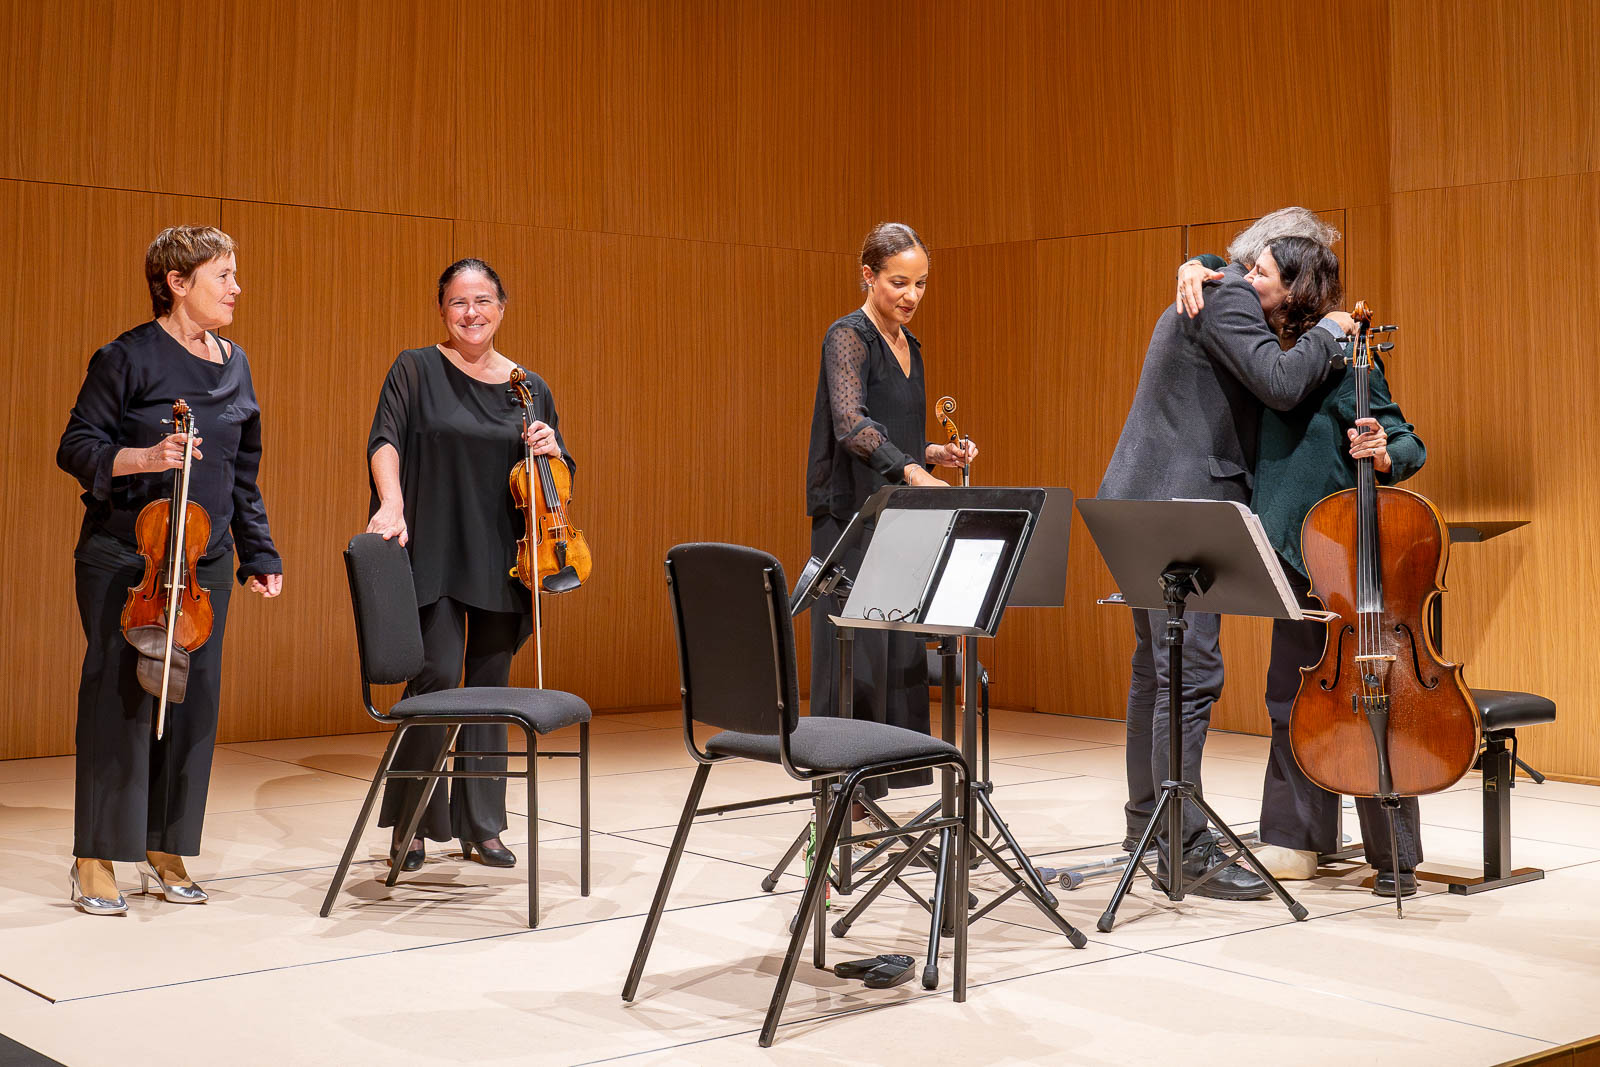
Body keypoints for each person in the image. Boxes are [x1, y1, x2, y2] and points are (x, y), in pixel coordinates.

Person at [1098, 208, 1354, 900]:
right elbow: (1280, 382)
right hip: (1180, 505)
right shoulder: (1229, 295)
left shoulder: (1213, 283)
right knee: (1189, 674)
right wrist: (1330, 333)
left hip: (1141, 499)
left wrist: (1203, 261)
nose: (1286, 302)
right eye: (1284, 277)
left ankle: (1147, 826)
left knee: (1157, 674)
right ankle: (1183, 849)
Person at [1180, 238, 1427, 897]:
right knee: (1291, 698)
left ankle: (1393, 851)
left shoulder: (1344, 360)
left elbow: (1409, 440)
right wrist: (1193, 265)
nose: (1247, 278)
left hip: (1343, 555)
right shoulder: (1264, 353)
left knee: (1368, 698)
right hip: (1287, 551)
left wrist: (1383, 451)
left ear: (1295, 287)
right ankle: (1296, 839)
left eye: (1261, 272)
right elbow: (1219, 264)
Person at [56, 225, 285, 914]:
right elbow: (76, 445)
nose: (237, 288)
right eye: (223, 276)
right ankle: (95, 856)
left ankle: (165, 848)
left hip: (203, 560)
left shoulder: (236, 363)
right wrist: (146, 458)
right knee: (120, 699)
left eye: (234, 274)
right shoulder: (126, 357)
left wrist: (259, 553)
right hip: (128, 558)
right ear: (178, 283)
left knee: (193, 703)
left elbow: (243, 473)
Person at [366, 258, 569, 871]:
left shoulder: (528, 387)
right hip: (432, 546)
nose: (471, 313)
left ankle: (483, 824)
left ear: (501, 309)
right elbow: (384, 440)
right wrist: (391, 502)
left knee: (490, 689)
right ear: (442, 310)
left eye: (483, 301)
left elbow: (555, 479)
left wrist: (553, 449)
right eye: (458, 302)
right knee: (434, 681)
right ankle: (412, 822)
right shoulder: (415, 368)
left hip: (503, 556)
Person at [804, 222, 975, 803]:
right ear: (868, 276)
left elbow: (895, 432)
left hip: (896, 517)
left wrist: (933, 455)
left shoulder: (910, 346)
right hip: (850, 519)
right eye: (899, 282)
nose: (911, 295)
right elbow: (852, 424)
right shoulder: (847, 336)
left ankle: (876, 788)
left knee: (896, 649)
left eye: (920, 284)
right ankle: (837, 796)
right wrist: (910, 470)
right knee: (855, 658)